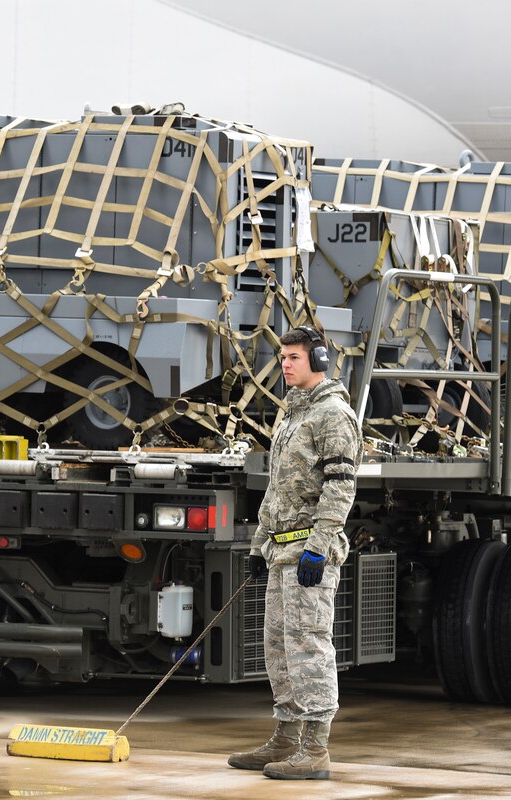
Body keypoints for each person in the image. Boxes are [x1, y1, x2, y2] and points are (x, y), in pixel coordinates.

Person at [228, 324, 361, 781]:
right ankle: (285, 739)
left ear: (319, 360)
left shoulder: (333, 414)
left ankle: (316, 750)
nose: (285, 364)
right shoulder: (292, 412)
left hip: (309, 553)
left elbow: (341, 488)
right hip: (281, 552)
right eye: (282, 357)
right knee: (279, 650)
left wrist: (320, 547)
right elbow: (278, 488)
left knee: (309, 647)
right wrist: (259, 543)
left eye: (294, 357)